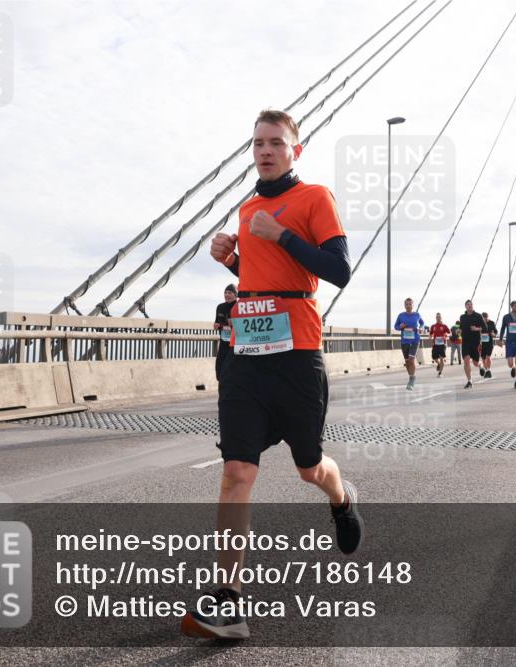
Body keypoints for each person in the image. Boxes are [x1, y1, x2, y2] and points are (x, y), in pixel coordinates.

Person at [189, 108, 361, 640]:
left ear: (295, 151)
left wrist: (281, 235)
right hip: (246, 353)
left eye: (275, 143)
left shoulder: (314, 198)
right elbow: (262, 278)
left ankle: (341, 498)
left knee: (309, 467)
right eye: (258, 143)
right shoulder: (244, 210)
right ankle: (229, 601)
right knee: (237, 472)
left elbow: (337, 270)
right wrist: (231, 262)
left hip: (297, 354)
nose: (264, 150)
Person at [394, 297, 425, 390]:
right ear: (404, 305)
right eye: (406, 304)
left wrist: (421, 328)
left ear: (413, 305)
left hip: (415, 340)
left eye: (410, 304)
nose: (408, 306)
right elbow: (395, 326)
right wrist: (400, 326)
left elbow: (422, 323)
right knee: (407, 362)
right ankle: (411, 377)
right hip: (405, 341)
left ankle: (412, 379)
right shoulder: (401, 315)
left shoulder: (417, 315)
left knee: (411, 360)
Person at [213, 284, 238, 381]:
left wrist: (233, 325)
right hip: (224, 342)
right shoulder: (220, 307)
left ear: (235, 295)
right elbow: (216, 322)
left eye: (230, 293)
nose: (227, 295)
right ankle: (222, 383)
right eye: (225, 292)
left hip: (235, 344)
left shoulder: (238, 307)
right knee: (219, 367)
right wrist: (217, 325)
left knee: (232, 369)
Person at [459, 300, 486, 389]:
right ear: (465, 307)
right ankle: (469, 381)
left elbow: (485, 328)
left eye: (471, 304)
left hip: (475, 343)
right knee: (466, 361)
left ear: (472, 306)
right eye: (468, 305)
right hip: (465, 342)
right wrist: (459, 331)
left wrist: (476, 329)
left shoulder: (478, 316)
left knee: (475, 363)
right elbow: (461, 328)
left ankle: (480, 366)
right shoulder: (462, 317)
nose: (470, 306)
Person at [428, 313, 451, 377]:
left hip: (442, 344)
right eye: (437, 317)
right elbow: (431, 334)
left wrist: (446, 336)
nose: (438, 318)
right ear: (436, 318)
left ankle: (440, 373)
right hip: (435, 344)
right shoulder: (433, 326)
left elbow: (450, 333)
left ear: (441, 318)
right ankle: (438, 364)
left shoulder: (444, 326)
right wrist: (430, 337)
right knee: (434, 358)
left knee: (441, 358)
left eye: (439, 317)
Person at [479, 311, 497, 379]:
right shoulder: (479, 324)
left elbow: (495, 332)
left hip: (489, 342)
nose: (485, 319)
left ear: (487, 317)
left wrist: (493, 334)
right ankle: (486, 370)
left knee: (488, 357)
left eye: (486, 318)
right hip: (482, 343)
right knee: (483, 358)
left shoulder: (491, 323)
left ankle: (489, 370)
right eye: (483, 318)